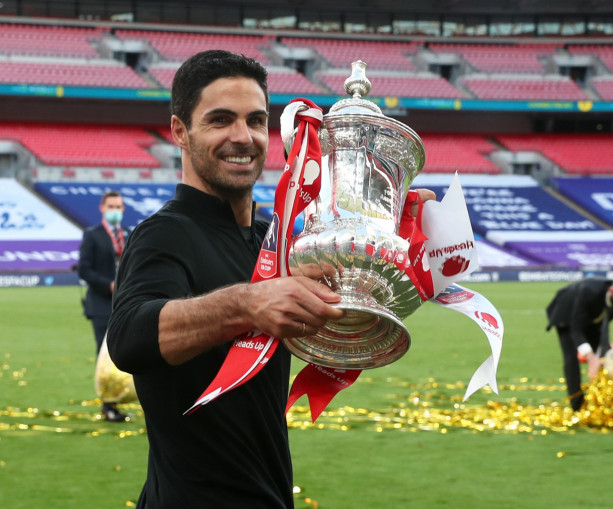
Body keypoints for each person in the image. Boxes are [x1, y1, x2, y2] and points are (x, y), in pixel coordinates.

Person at [107, 50, 434, 508]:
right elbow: (128, 338)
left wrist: (389, 251)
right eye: (220, 120)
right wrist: (247, 304)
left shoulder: (273, 243)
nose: (243, 137)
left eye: (256, 121)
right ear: (180, 131)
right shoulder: (164, 233)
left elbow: (344, 315)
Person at [546, 275, 613, 411]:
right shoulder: (589, 292)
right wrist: (590, 357)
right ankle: (577, 405)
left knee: (601, 356)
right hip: (566, 314)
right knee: (571, 357)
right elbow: (576, 329)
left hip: (593, 319)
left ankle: (599, 400)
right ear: (612, 291)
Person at [78, 190, 129, 423]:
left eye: (118, 207)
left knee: (126, 351)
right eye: (111, 206)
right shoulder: (93, 235)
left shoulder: (129, 235)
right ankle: (108, 405)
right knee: (105, 353)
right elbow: (84, 270)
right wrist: (108, 285)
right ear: (102, 208)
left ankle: (121, 398)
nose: (115, 211)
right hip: (101, 303)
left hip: (126, 302)